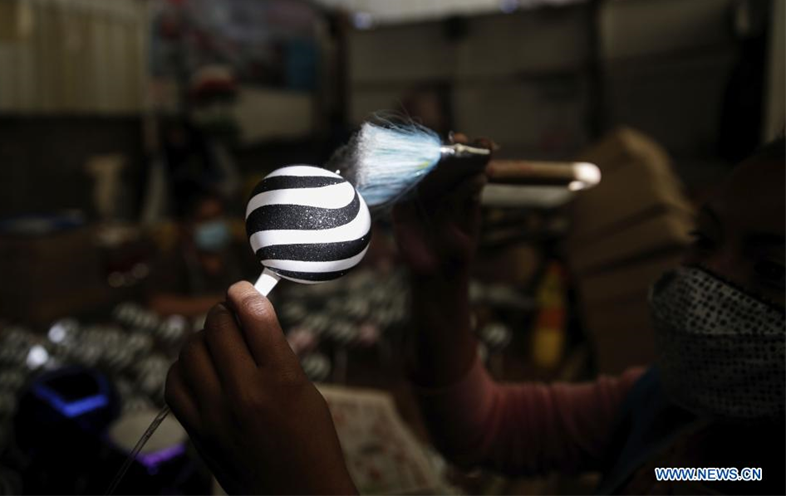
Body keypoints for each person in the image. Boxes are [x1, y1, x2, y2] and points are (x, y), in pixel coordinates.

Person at [164, 136, 786, 495]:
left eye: (775, 270)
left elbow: (726, 473)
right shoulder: (663, 409)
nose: (711, 278)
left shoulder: (734, 467)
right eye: (704, 240)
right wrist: (441, 277)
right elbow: (482, 429)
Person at [147, 182, 244, 317]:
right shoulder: (174, 258)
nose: (214, 225)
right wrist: (224, 302)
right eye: (205, 220)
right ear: (187, 225)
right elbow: (160, 304)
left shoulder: (238, 252)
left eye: (217, 216)